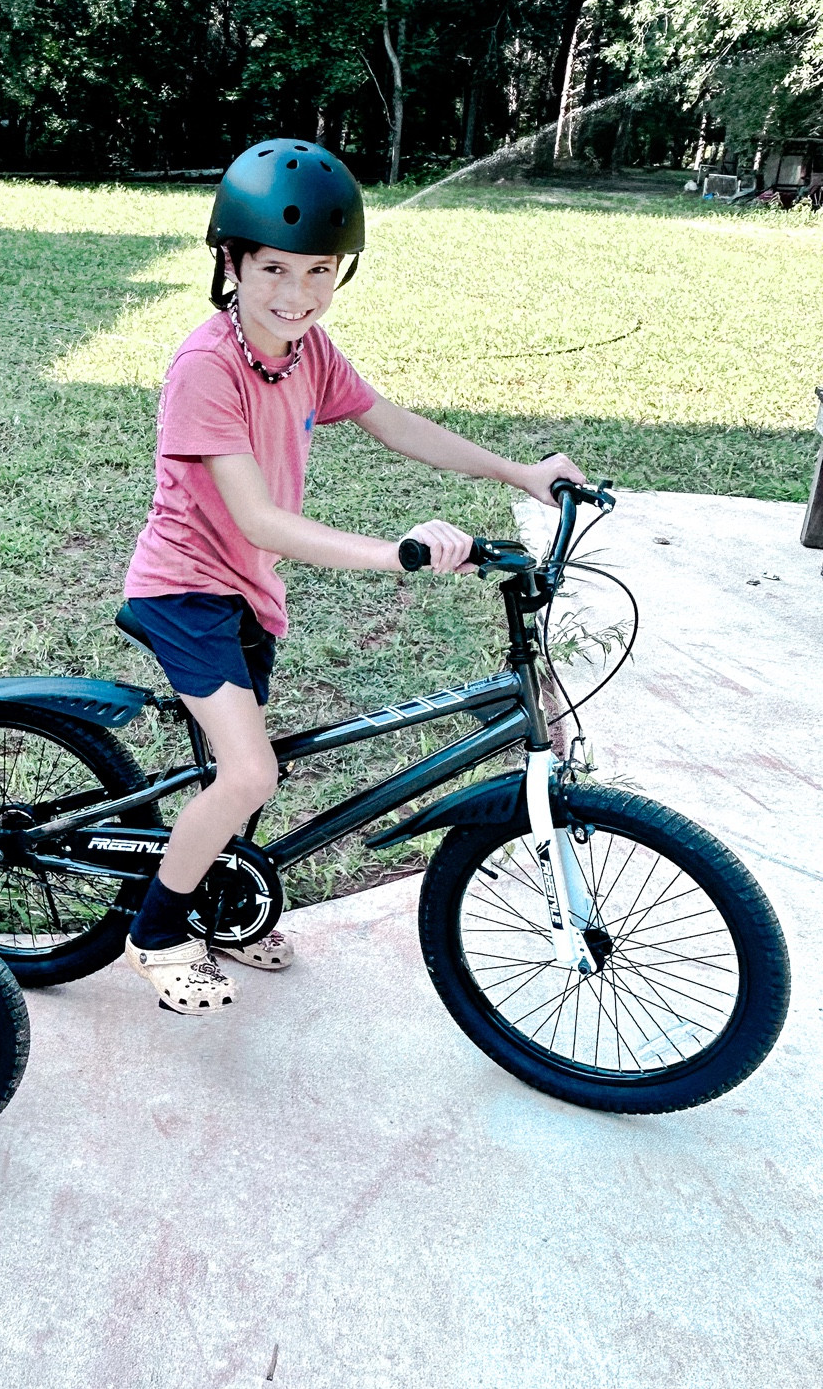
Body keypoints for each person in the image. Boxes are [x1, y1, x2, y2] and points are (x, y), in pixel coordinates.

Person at [121, 140, 585, 1015]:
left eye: (319, 272)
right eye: (274, 270)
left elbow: (390, 420)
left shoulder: (307, 352)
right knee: (251, 772)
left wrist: (517, 471)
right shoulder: (204, 368)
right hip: (185, 588)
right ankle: (157, 932)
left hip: (249, 591)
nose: (297, 295)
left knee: (247, 769)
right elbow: (258, 519)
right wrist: (395, 552)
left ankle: (222, 904)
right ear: (230, 262)